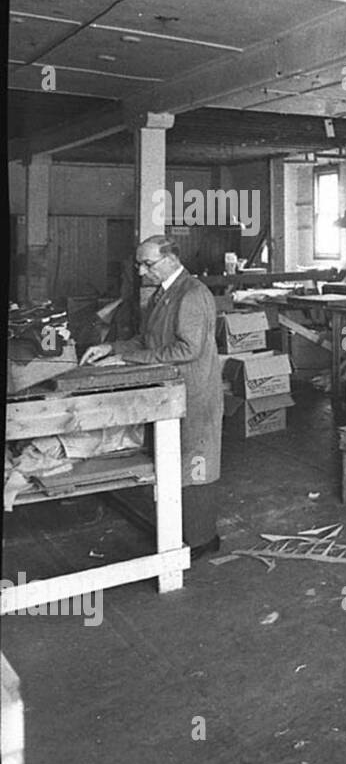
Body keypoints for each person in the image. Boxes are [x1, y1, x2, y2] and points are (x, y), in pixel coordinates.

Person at [79, 235, 223, 559]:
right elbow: (147, 340)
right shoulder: (163, 294)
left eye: (148, 264)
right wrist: (112, 348)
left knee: (196, 462)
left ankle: (201, 539)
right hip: (171, 390)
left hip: (195, 393)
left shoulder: (192, 294)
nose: (142, 271)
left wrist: (129, 360)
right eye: (140, 264)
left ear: (171, 258)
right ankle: (179, 532)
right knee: (175, 460)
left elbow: (188, 349)